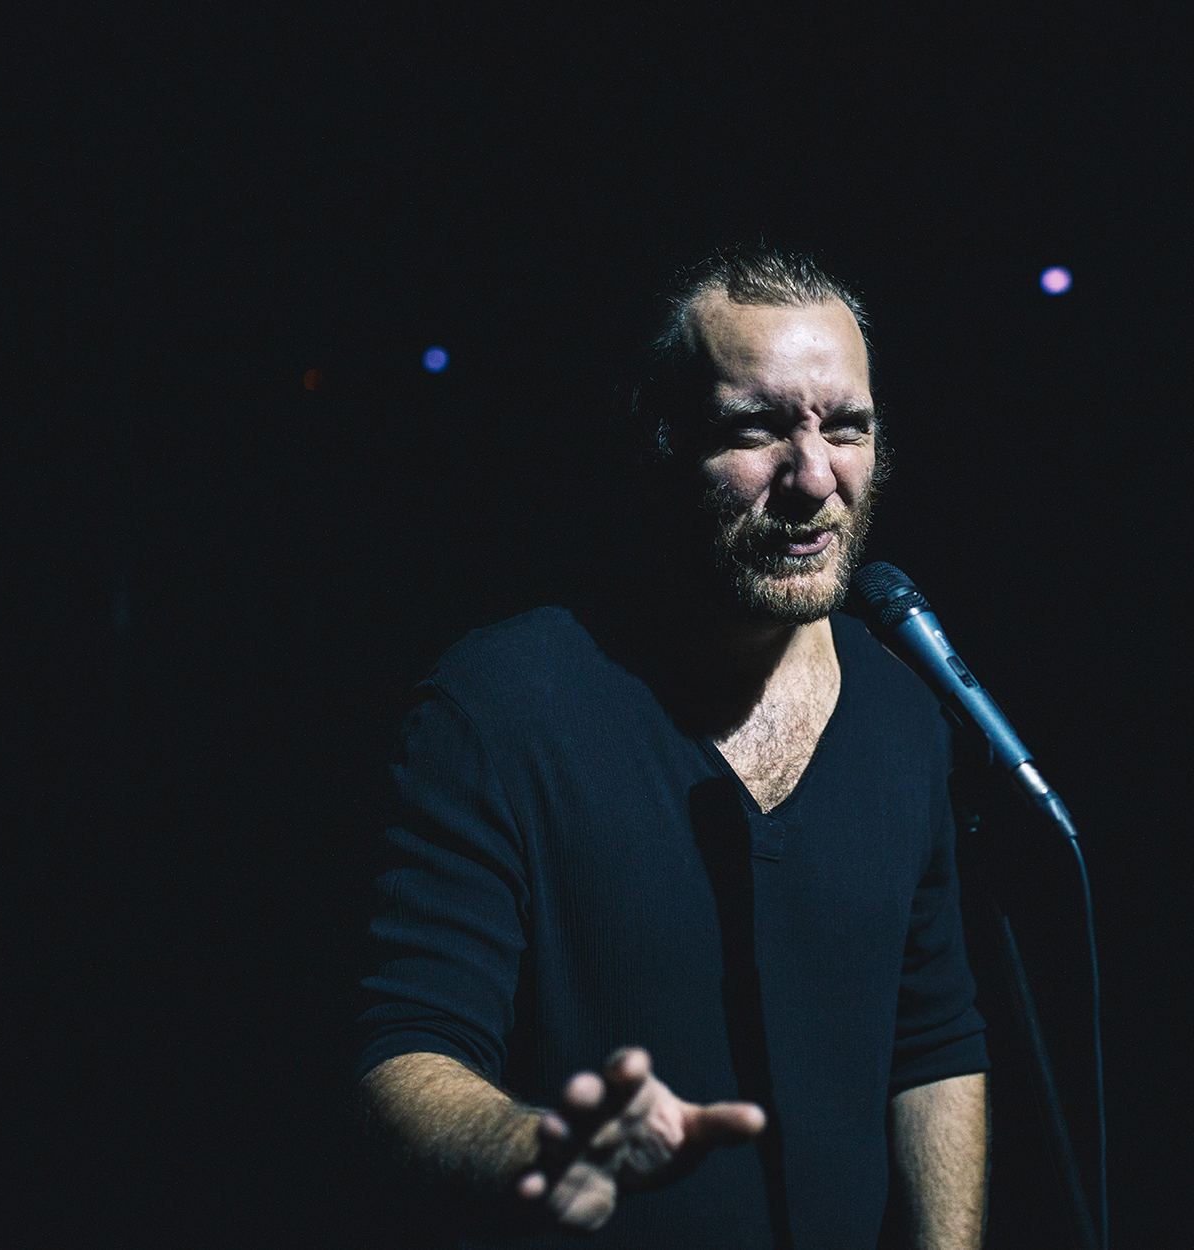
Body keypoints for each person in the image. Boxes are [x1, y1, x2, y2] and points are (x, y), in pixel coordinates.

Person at [353, 246, 989, 1248]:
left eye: (846, 428)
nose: (813, 476)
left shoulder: (904, 713)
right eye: (756, 428)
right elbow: (404, 1048)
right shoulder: (503, 706)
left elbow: (934, 1043)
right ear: (661, 443)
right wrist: (535, 1145)